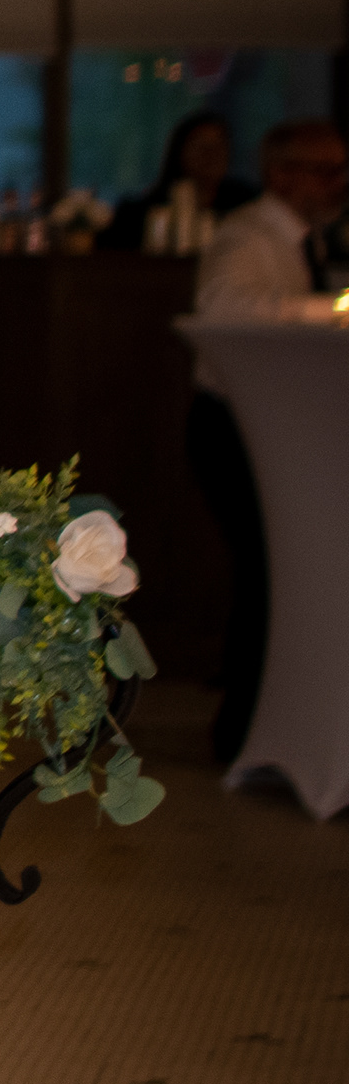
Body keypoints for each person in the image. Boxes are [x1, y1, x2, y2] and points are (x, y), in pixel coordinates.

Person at [189, 115, 347, 760]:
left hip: (267, 430)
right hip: (233, 428)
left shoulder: (301, 240)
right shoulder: (248, 234)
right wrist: (332, 310)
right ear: (282, 174)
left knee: (276, 574)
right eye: (326, 170)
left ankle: (261, 727)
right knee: (266, 575)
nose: (338, 183)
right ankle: (242, 732)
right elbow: (222, 307)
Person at [100, 108, 257, 250]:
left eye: (219, 145)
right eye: (199, 145)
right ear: (179, 151)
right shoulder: (139, 215)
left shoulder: (247, 208)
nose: (210, 154)